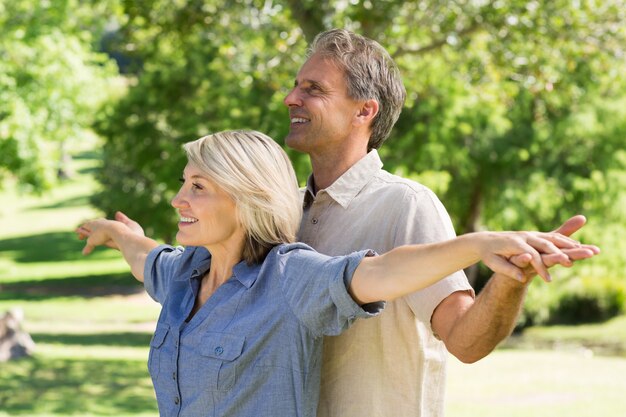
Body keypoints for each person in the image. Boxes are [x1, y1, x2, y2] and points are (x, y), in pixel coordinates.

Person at [76, 130, 595, 417]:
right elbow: (146, 255)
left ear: (247, 198)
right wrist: (116, 232)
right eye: (183, 183)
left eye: (198, 187)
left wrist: (483, 244)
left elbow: (383, 273)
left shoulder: (289, 276)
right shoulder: (186, 272)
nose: (178, 198)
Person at [283, 29, 600, 417]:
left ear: (364, 111)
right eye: (296, 85)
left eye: (313, 88)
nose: (290, 98)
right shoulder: (281, 210)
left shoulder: (406, 206)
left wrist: (510, 280)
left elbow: (465, 341)